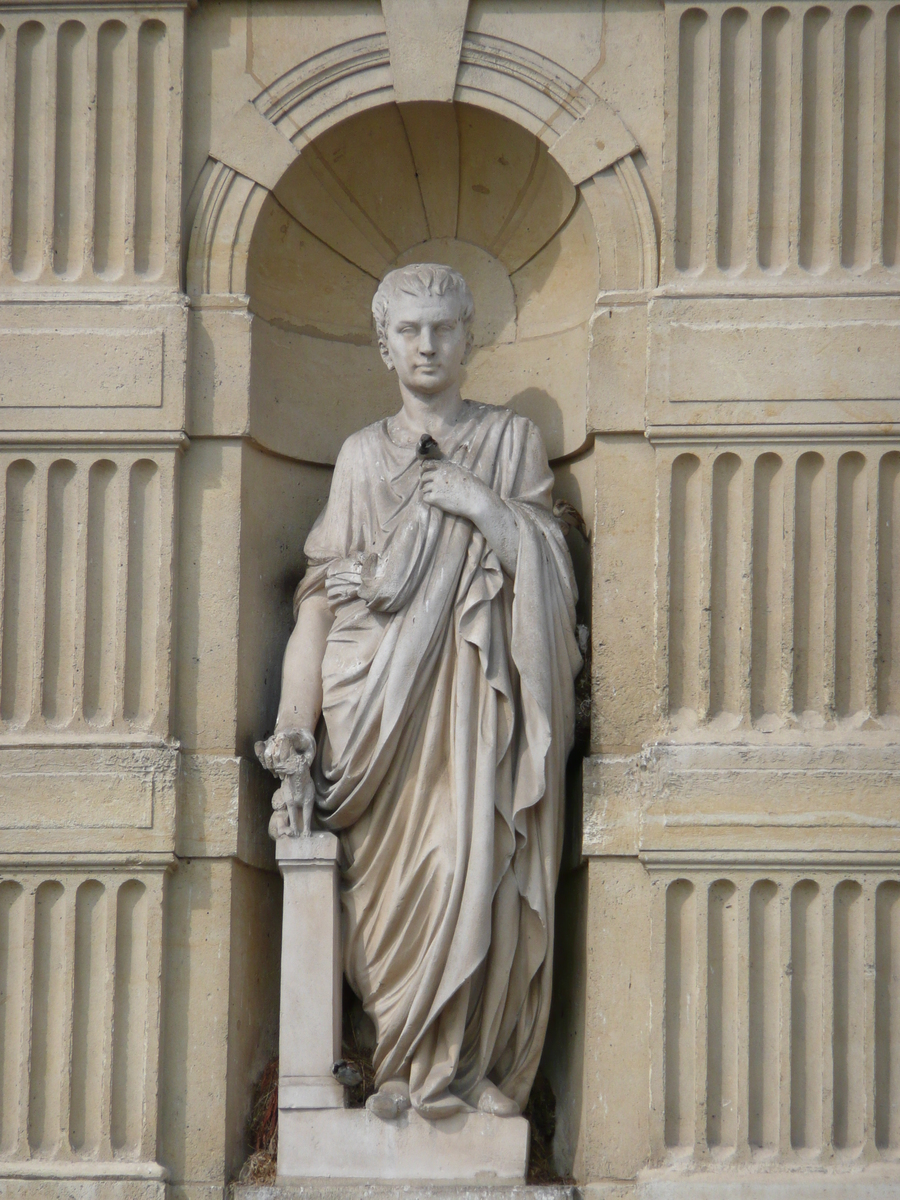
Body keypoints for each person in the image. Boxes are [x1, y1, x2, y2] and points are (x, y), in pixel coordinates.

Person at [258, 263, 581, 1121]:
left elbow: (549, 577)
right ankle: (395, 1061)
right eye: (410, 330)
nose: (428, 344)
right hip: (373, 724)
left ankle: (461, 1071)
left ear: (470, 339)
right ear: (383, 344)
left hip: (475, 713)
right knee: (386, 893)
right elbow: (321, 606)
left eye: (443, 328)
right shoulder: (363, 457)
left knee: (468, 859)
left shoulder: (509, 443)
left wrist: (484, 506)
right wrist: (293, 724)